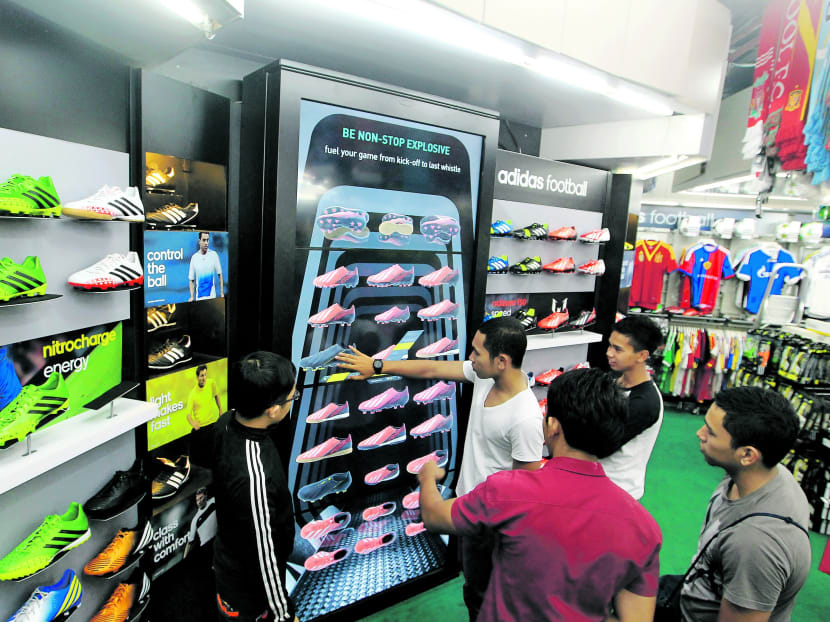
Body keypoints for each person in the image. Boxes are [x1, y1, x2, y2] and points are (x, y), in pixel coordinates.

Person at [337, 316, 543, 621]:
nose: (470, 358)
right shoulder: (486, 376)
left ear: (501, 361)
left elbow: (526, 492)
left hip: (492, 524)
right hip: (468, 506)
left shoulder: (525, 418)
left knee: (486, 597)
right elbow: (431, 369)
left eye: (477, 352)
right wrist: (378, 366)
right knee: (473, 588)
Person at [418, 368, 662, 622]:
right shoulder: (644, 529)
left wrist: (428, 479)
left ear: (553, 426)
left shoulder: (506, 491)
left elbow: (435, 516)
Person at [680, 386, 811, 622]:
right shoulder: (762, 474)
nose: (700, 433)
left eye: (711, 432)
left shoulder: (755, 544)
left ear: (748, 455)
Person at [212, 351, 300, 622]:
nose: (293, 399)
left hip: (228, 558)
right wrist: (284, 615)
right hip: (248, 593)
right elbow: (265, 560)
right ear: (273, 410)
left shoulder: (227, 421)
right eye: (292, 397)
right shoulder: (255, 478)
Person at [603, 315, 665, 499]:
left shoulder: (645, 402)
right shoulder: (612, 381)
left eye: (617, 349)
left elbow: (602, 444)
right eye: (610, 345)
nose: (609, 353)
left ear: (642, 356)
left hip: (618, 493)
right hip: (598, 485)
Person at [189, 231, 223, 301]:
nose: (206, 243)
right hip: (199, 299)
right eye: (204, 240)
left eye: (207, 240)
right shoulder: (194, 257)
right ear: (199, 241)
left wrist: (221, 293)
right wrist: (192, 297)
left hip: (212, 298)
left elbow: (220, 275)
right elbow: (191, 280)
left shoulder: (214, 255)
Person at [186, 364, 222, 431]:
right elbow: (188, 414)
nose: (204, 378)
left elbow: (216, 395)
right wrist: (193, 423)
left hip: (213, 422)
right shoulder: (192, 394)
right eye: (202, 376)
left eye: (205, 375)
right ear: (197, 377)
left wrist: (220, 410)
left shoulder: (211, 383)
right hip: (201, 427)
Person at [184, 487, 217, 558]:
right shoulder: (195, 520)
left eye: (201, 498)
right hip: (206, 548)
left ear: (206, 496)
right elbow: (189, 542)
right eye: (197, 500)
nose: (199, 502)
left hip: (218, 539)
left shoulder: (213, 501)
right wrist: (184, 558)